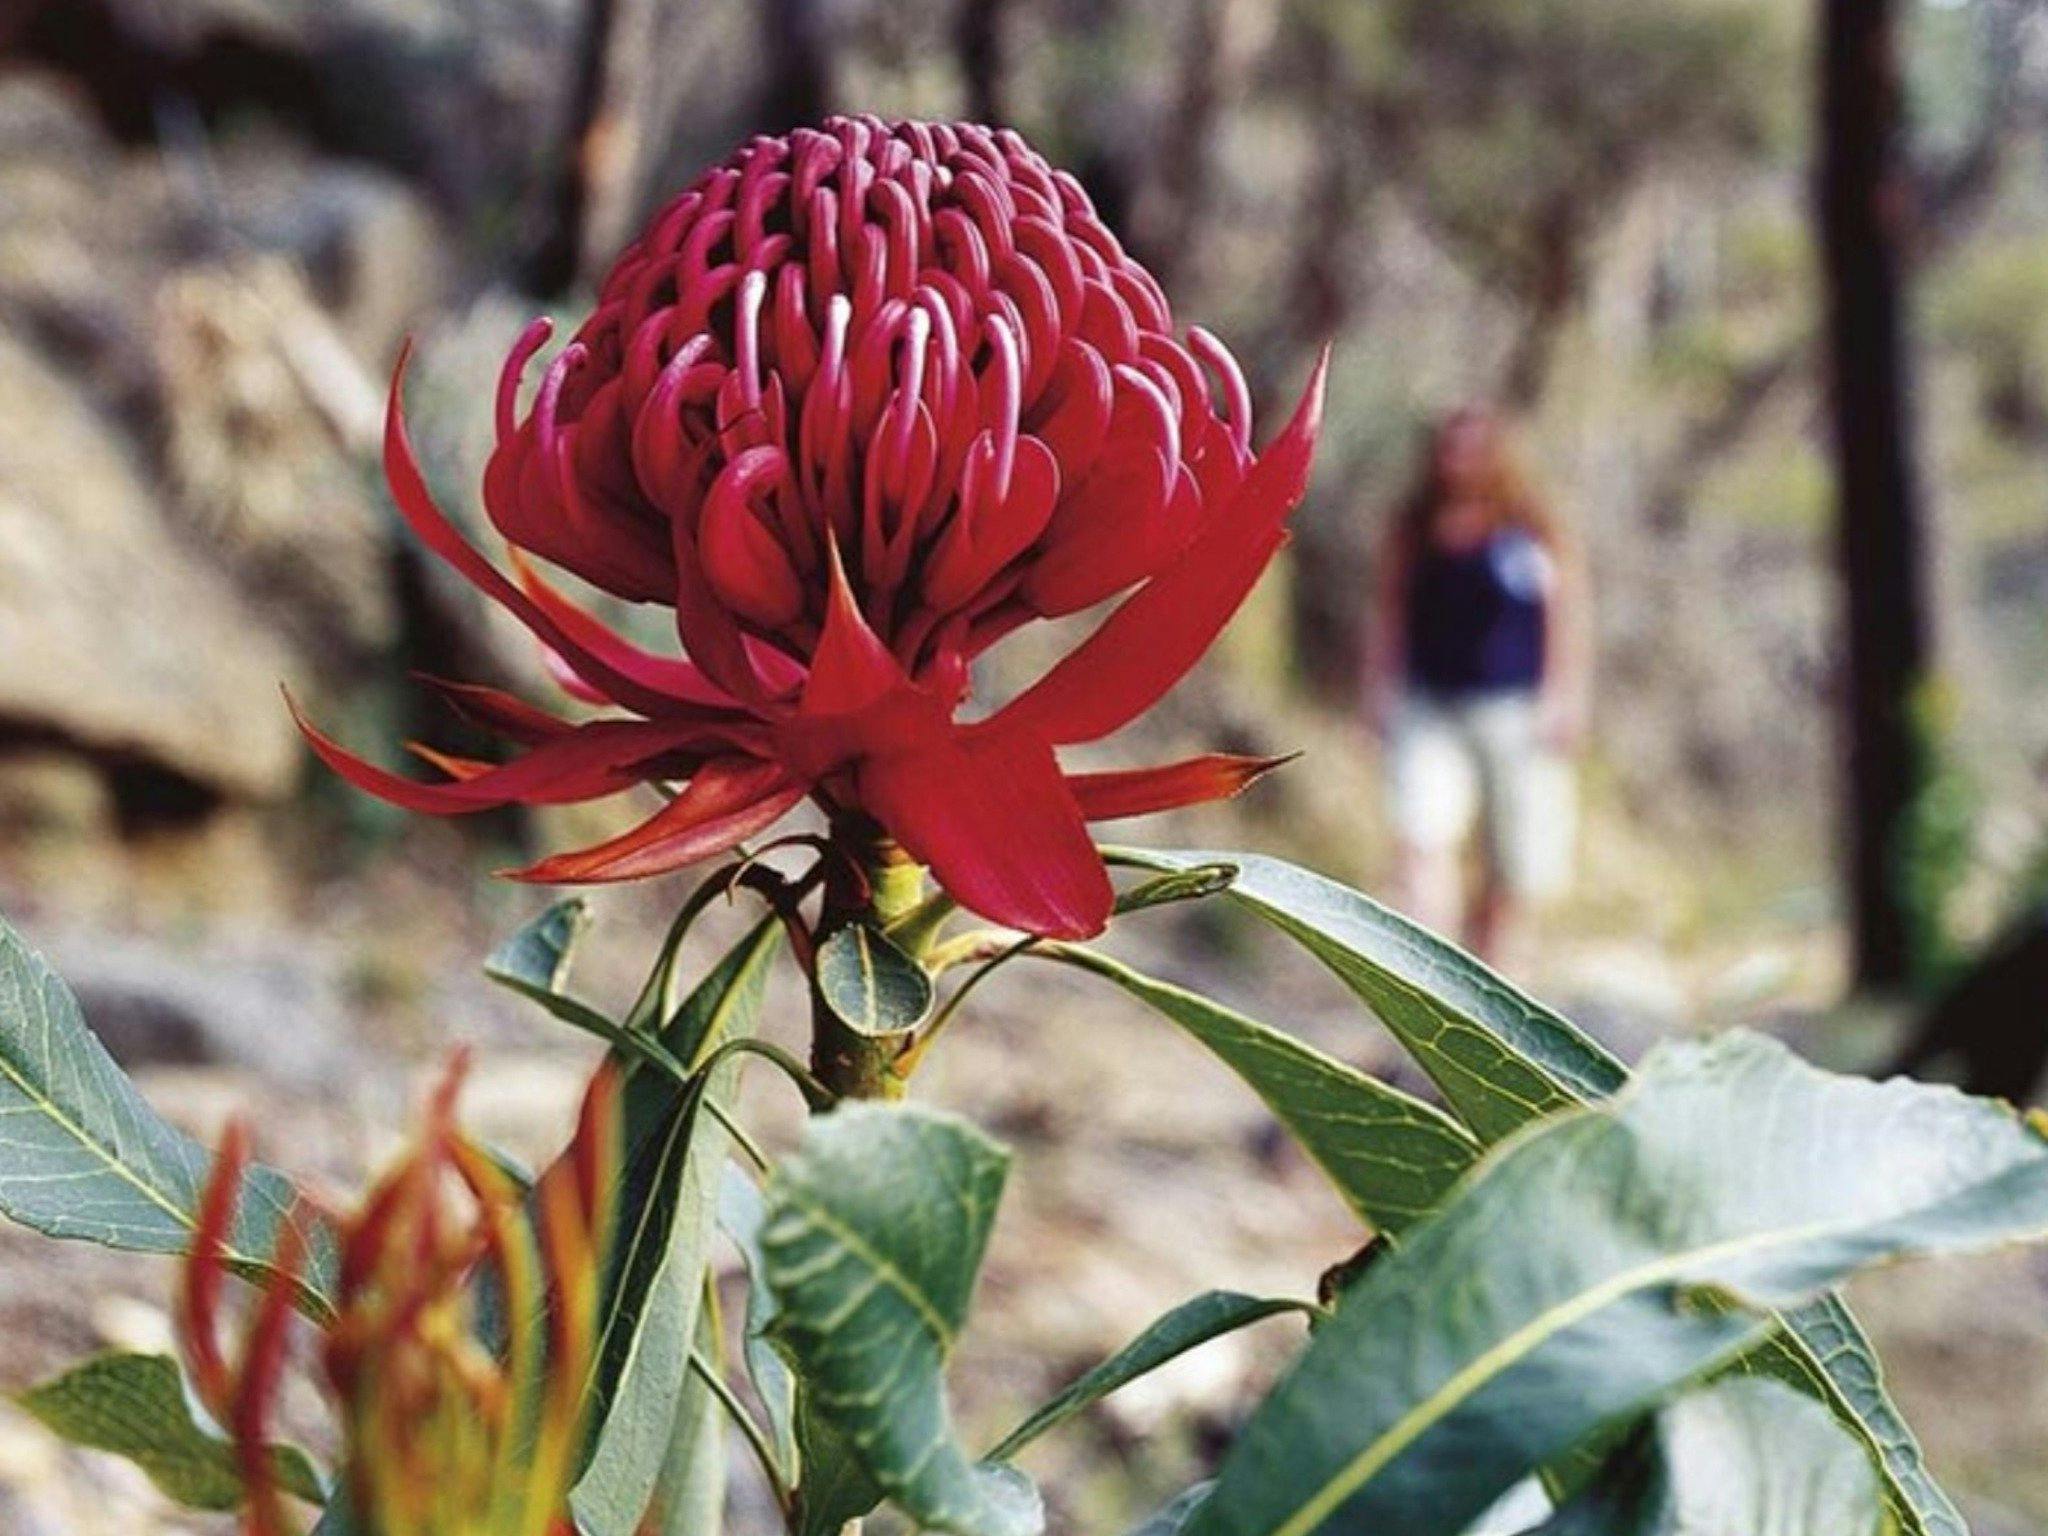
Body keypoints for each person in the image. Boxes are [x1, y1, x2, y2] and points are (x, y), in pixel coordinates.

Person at [1363, 408, 1590, 970]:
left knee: (1512, 860)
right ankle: (1427, 971)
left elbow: (1565, 615)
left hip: (1514, 710)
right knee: (1419, 836)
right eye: (1448, 448)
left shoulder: (1530, 527)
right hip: (1430, 705)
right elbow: (1388, 612)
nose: (1456, 461)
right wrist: (1377, 689)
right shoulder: (1415, 527)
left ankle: (1491, 979)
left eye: (1469, 448)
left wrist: (1566, 698)